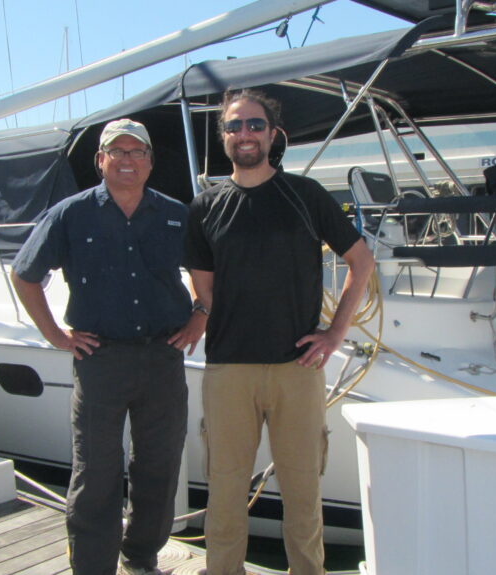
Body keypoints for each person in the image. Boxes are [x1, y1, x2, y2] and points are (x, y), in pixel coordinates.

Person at [184, 90, 375, 575]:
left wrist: (335, 334)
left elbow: (361, 261)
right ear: (224, 136)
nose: (244, 134)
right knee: (225, 491)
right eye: (233, 126)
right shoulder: (205, 207)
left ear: (272, 134)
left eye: (253, 124)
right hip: (228, 369)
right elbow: (204, 292)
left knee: (303, 490)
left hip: (298, 368)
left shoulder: (306, 196)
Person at [11, 118, 201, 575]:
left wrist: (201, 315)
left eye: (138, 152)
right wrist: (55, 335)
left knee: (159, 467)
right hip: (101, 360)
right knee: (96, 471)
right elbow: (25, 274)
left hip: (163, 358)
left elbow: (205, 270)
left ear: (151, 162)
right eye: (118, 152)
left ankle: (140, 558)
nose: (128, 160)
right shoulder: (71, 214)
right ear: (101, 161)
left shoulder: (177, 214)